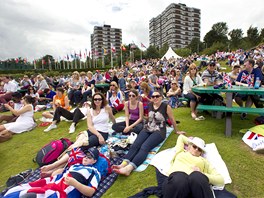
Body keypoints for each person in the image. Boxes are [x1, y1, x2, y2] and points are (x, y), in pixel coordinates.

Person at [112, 91, 181, 176]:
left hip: (159, 131)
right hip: (148, 128)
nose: (155, 98)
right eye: (153, 97)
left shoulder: (166, 106)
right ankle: (123, 164)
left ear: (161, 97)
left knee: (144, 147)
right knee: (135, 145)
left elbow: (172, 119)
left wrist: (176, 130)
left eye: (157, 96)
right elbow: (149, 117)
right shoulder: (150, 105)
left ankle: (129, 168)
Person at [5, 148, 109, 198]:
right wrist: (49, 174)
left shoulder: (94, 172)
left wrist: (74, 183)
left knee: (29, 196)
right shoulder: (75, 166)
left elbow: (90, 192)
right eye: (86, 155)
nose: (86, 158)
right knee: (17, 192)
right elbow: (61, 173)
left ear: (95, 161)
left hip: (64, 191)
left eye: (90, 157)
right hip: (54, 183)